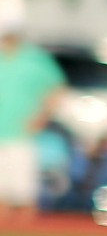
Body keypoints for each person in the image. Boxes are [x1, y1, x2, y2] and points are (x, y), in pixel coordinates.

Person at [0, 19, 64, 224]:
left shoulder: (34, 58)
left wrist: (41, 117)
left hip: (21, 135)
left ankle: (27, 233)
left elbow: (57, 89)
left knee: (24, 194)